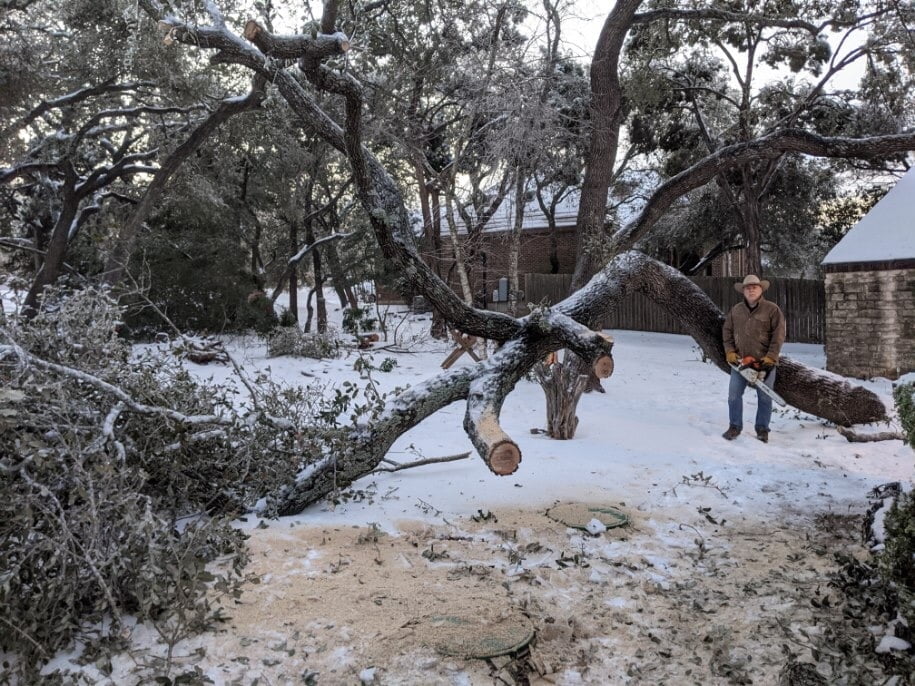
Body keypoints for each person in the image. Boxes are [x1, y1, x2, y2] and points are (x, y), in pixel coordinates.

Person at [722, 274, 786, 443]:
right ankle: (734, 426)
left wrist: (771, 357)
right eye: (748, 287)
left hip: (764, 362)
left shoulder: (772, 309)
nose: (751, 290)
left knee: (765, 397)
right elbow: (727, 332)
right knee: (733, 395)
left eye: (754, 287)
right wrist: (729, 351)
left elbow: (778, 336)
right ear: (743, 291)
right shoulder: (736, 310)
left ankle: (762, 428)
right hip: (741, 362)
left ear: (761, 289)